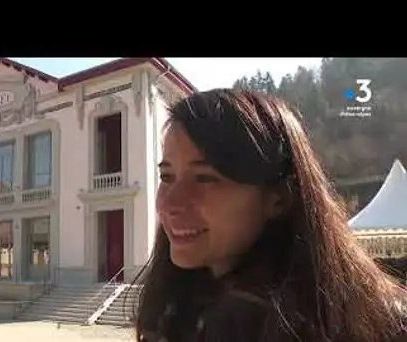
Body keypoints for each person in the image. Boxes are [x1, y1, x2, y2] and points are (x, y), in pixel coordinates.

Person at [133, 89, 407, 342]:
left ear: (279, 196)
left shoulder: (257, 325)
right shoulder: (182, 309)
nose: (169, 203)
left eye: (205, 178)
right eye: (166, 176)